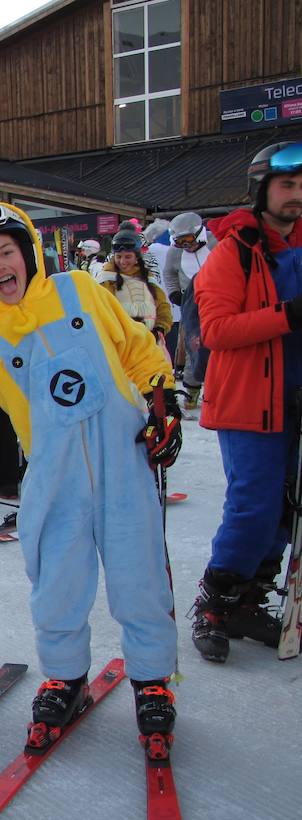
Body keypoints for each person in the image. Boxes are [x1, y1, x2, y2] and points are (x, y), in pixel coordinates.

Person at [0, 199, 181, 751]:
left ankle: (152, 680)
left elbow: (137, 348)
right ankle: (65, 676)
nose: (0, 266)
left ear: (28, 252)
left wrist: (162, 399)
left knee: (140, 578)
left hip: (124, 464)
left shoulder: (79, 290)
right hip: (56, 482)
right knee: (57, 585)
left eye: (7, 251)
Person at [189, 140, 302, 663]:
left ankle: (248, 598)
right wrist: (288, 314)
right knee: (252, 507)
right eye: (287, 186)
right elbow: (215, 329)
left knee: (285, 509)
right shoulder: (232, 251)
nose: (296, 196)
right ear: (261, 191)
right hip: (250, 402)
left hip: (294, 400)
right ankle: (214, 602)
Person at [163, 212, 216, 409]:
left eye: (188, 240)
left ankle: (216, 388)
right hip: (191, 303)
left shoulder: (215, 243)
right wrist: (174, 292)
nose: (186, 245)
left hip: (218, 300)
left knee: (218, 344)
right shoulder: (174, 253)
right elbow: (169, 273)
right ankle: (191, 392)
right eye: (180, 242)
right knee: (194, 346)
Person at [96, 228, 173, 361]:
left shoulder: (147, 278)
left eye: (128, 257)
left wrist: (160, 328)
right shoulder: (105, 280)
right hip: (118, 343)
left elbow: (162, 306)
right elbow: (99, 309)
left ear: (137, 257)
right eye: (118, 257)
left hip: (146, 341)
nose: (123, 261)